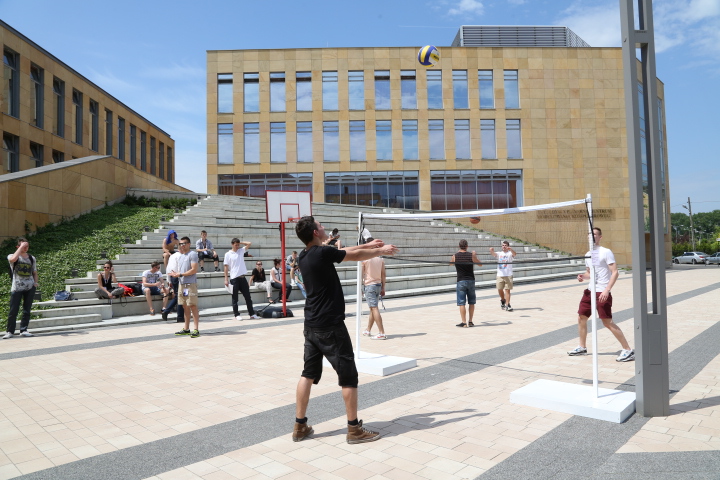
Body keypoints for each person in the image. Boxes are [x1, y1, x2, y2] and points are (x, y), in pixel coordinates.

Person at [292, 215, 399, 444]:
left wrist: (369, 246)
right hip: (330, 326)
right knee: (349, 376)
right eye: (320, 225)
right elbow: (353, 256)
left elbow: (344, 251)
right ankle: (354, 429)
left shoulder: (304, 255)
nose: (324, 227)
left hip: (311, 324)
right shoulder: (322, 253)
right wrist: (381, 251)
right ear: (315, 232)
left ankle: (299, 426)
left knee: (308, 374)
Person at [568, 227, 635, 362]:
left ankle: (628, 350)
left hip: (602, 292)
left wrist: (607, 290)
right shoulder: (588, 254)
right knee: (581, 318)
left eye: (594, 234)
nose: (592, 236)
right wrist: (583, 276)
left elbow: (615, 272)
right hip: (589, 291)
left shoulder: (606, 252)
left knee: (607, 322)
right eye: (590, 234)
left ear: (600, 237)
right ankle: (582, 347)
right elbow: (590, 273)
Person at [4, 238, 38, 339]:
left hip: (29, 287)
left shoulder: (32, 258)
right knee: (13, 310)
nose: (25, 248)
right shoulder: (12, 256)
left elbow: (34, 272)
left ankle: (24, 330)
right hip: (17, 287)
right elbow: (12, 260)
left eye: (27, 246)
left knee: (27, 310)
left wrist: (35, 283)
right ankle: (10, 331)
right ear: (18, 247)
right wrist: (21, 247)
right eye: (23, 246)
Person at [169, 237, 201, 337]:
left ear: (189, 244)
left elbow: (194, 269)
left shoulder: (193, 254)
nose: (182, 245)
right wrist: (176, 274)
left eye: (184, 243)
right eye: (180, 244)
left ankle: (196, 329)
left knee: (193, 305)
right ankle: (186, 328)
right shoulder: (181, 256)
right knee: (185, 306)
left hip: (190, 284)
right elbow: (181, 271)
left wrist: (180, 274)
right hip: (183, 284)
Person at [224, 238, 260, 321]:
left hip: (243, 278)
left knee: (248, 297)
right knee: (235, 298)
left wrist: (240, 242)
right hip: (234, 278)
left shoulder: (241, 251)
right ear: (232, 244)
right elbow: (225, 267)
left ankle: (251, 314)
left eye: (238, 245)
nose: (237, 246)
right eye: (235, 245)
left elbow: (249, 243)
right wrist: (226, 279)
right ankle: (236, 314)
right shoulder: (228, 254)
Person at [452, 239, 482, 328]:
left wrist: (455, 257)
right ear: (467, 246)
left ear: (459, 246)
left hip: (461, 280)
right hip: (471, 280)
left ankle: (464, 322)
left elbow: (450, 264)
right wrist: (475, 256)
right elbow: (480, 264)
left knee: (461, 303)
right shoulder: (471, 255)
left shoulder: (455, 256)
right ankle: (470, 321)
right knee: (471, 302)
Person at [362, 244, 387, 339]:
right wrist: (383, 287)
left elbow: (361, 274)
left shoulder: (365, 259)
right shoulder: (381, 259)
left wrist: (361, 287)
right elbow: (383, 274)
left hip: (370, 286)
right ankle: (368, 329)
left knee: (374, 308)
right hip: (378, 285)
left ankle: (381, 332)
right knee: (372, 308)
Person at [489, 240, 517, 312]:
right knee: (499, 289)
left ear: (508, 246)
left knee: (507, 290)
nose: (504, 246)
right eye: (503, 245)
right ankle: (503, 300)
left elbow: (515, 254)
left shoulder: (510, 253)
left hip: (508, 275)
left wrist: (511, 249)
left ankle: (508, 305)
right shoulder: (499, 253)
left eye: (505, 245)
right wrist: (491, 251)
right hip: (500, 275)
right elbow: (494, 254)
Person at [163, 251, 184, 322]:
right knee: (181, 296)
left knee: (178, 296)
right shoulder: (181, 256)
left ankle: (167, 311)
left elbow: (168, 268)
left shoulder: (172, 256)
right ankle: (180, 317)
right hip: (180, 277)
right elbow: (180, 267)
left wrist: (169, 280)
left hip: (173, 277)